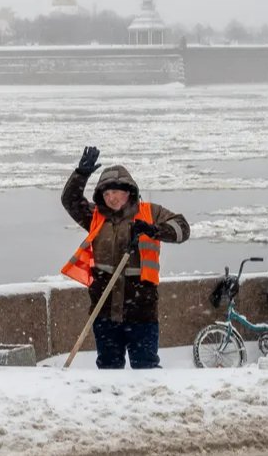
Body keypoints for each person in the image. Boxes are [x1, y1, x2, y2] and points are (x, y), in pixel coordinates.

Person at [59, 146, 190, 369]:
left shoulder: (151, 212)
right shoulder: (95, 217)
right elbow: (70, 201)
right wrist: (81, 175)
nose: (111, 198)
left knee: (145, 368)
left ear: (128, 191)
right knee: (109, 368)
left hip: (141, 311)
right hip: (105, 310)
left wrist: (153, 230)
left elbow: (182, 229)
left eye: (115, 192)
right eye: (106, 194)